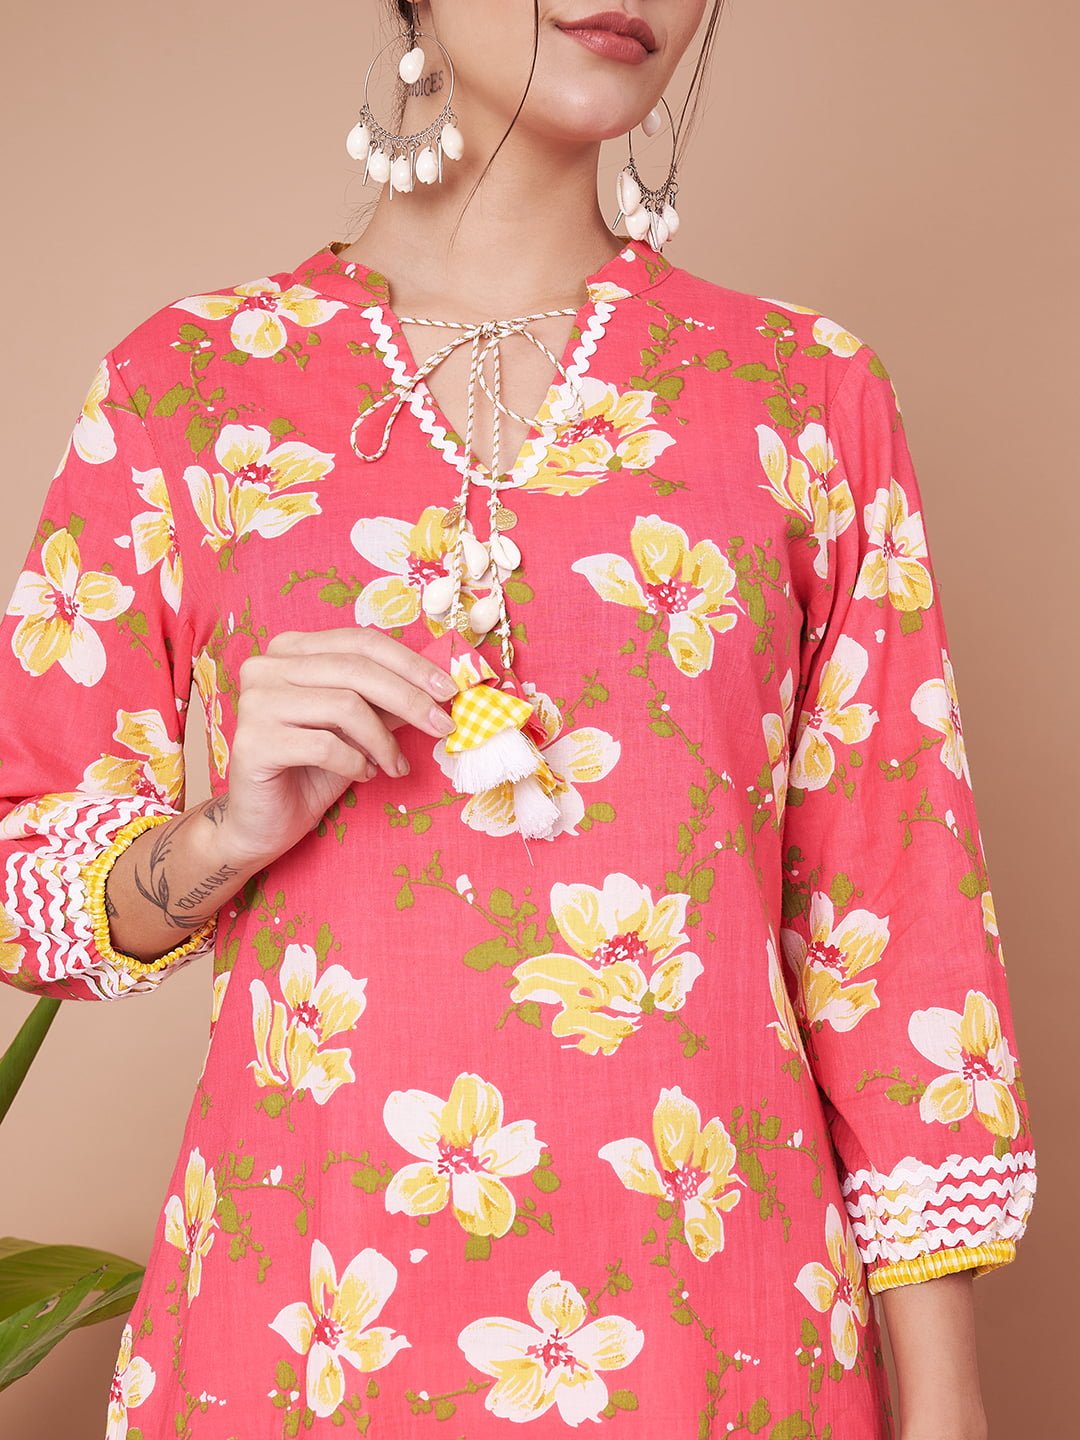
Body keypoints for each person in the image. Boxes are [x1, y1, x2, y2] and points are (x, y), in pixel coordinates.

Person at [0, 3, 1037, 1437]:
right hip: (305, 1331)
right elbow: (26, 881)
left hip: (727, 1335)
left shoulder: (803, 393)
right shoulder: (187, 385)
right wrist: (218, 841)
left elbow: (898, 925)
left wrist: (948, 1404)